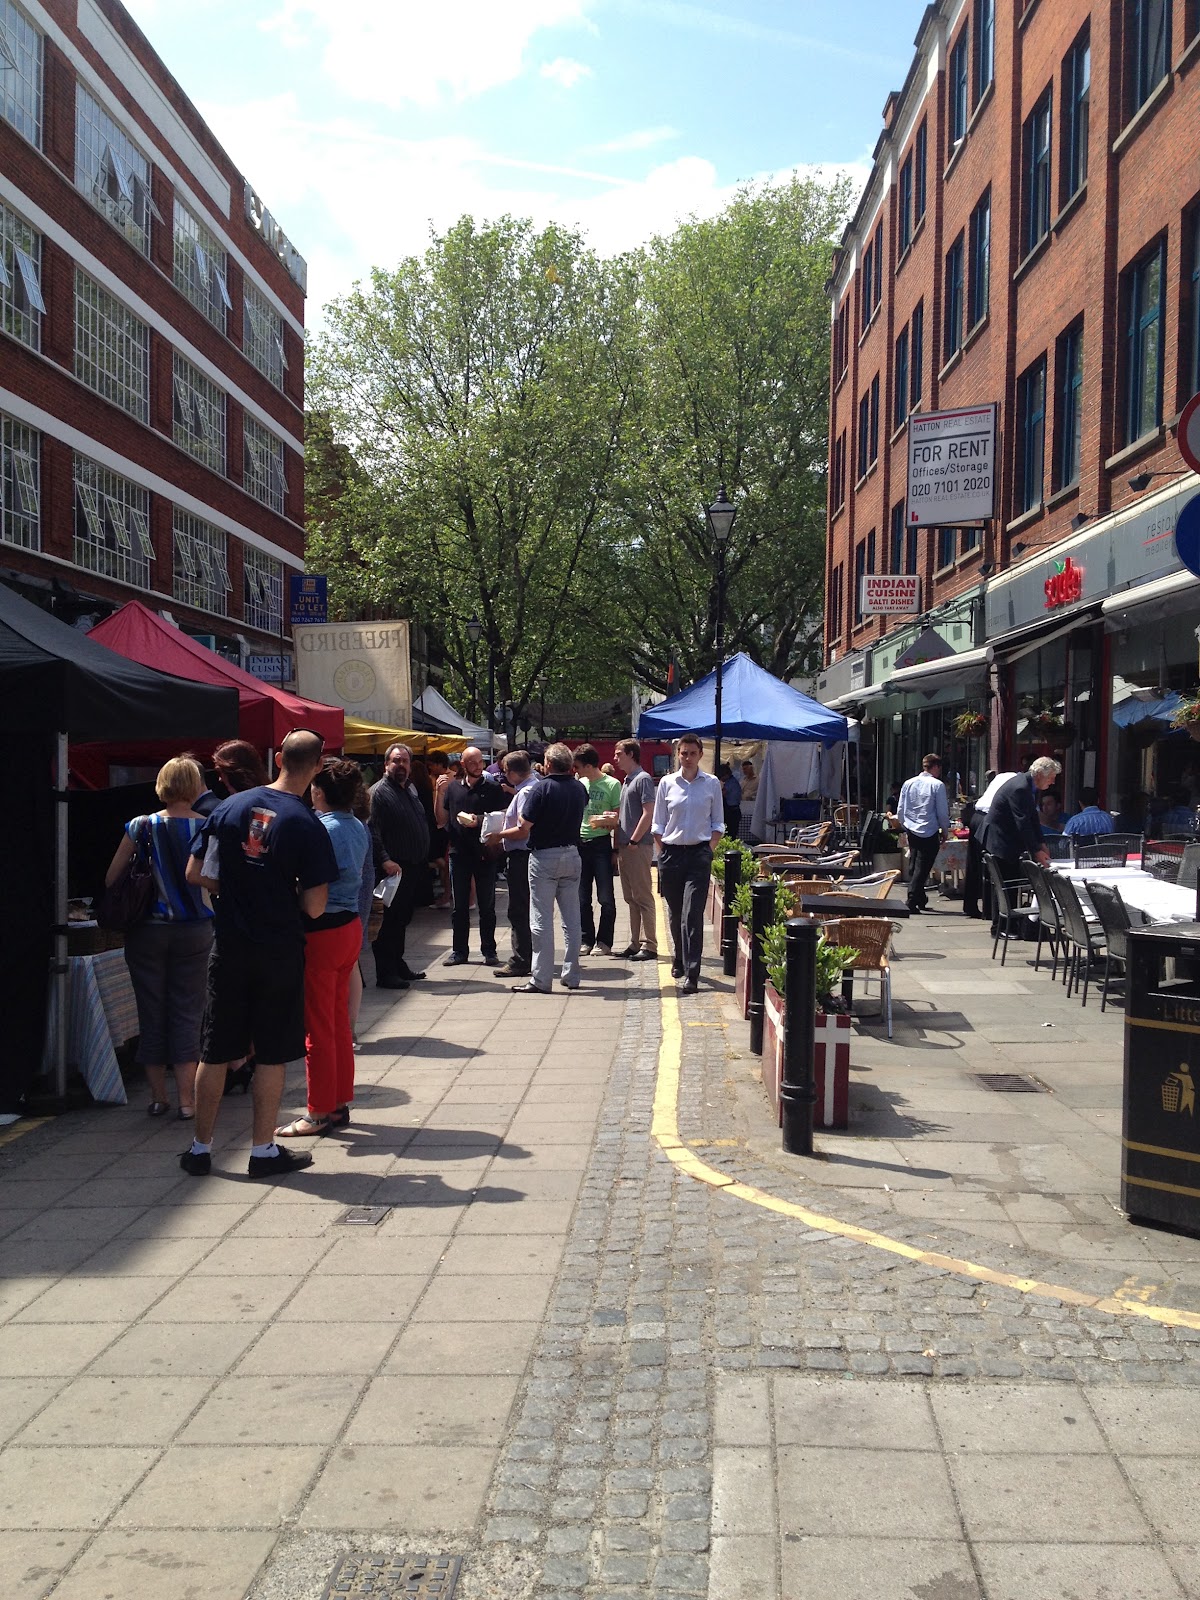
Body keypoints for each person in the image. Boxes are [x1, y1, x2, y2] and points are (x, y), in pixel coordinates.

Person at [181, 729, 338, 1180]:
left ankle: (199, 1148)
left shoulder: (229, 806)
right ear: (318, 763)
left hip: (229, 944)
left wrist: (237, 888)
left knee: (215, 1050)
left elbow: (196, 872)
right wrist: (276, 890)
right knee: (270, 1052)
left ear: (280, 758)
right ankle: (262, 1150)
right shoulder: (306, 822)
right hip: (277, 949)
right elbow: (315, 905)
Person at [105, 756, 213, 1119]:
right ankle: (187, 1101)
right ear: (195, 785)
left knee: (151, 1012)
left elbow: (111, 879)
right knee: (187, 1012)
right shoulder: (207, 827)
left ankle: (157, 1098)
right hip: (195, 930)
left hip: (147, 932)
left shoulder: (140, 826)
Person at [277, 759, 370, 1139]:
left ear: (319, 791)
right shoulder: (359, 826)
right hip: (348, 926)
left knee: (318, 1026)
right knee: (336, 1024)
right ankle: (338, 1102)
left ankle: (318, 1110)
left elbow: (310, 883)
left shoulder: (321, 828)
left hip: (323, 930)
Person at [502, 742, 587, 994]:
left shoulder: (541, 788)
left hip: (544, 856)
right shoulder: (579, 789)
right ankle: (571, 975)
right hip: (572, 853)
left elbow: (524, 825)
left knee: (541, 919)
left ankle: (541, 979)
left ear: (548, 764)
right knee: (572, 919)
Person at [652, 734, 724, 993]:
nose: (688, 758)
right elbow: (658, 823)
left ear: (700, 755)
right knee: (675, 913)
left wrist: (709, 849)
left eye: (693, 753)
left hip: (698, 855)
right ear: (677, 755)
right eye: (684, 753)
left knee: (692, 914)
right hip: (671, 854)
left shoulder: (711, 783)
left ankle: (692, 973)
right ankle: (679, 958)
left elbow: (718, 822)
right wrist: (662, 851)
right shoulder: (667, 783)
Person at [433, 746, 507, 965]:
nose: (477, 766)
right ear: (463, 765)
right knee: (460, 907)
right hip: (459, 852)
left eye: (480, 762)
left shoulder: (493, 788)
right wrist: (439, 793)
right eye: (472, 763)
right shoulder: (454, 789)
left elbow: (502, 817)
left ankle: (489, 950)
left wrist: (480, 819)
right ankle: (459, 951)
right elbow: (441, 819)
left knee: (487, 905)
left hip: (484, 852)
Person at [368, 743, 431, 989]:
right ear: (386, 764)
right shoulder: (379, 792)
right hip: (392, 869)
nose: (401, 765)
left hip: (412, 867)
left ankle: (398, 963)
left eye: (404, 761)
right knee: (388, 922)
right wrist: (384, 859)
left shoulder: (408, 790)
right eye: (396, 761)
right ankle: (386, 972)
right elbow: (372, 830)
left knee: (402, 919)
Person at [982, 756, 1061, 899]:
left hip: (1008, 838)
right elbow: (1023, 822)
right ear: (1039, 775)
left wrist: (1041, 843)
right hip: (1001, 839)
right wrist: (1036, 851)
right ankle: (1005, 921)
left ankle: (1008, 920)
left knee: (1009, 886)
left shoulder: (1032, 786)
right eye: (1051, 777)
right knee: (1007, 888)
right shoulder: (1020, 788)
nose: (1053, 782)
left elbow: (1033, 817)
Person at [574, 744, 621, 957]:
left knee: (606, 897)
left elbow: (617, 818)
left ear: (589, 765)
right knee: (582, 897)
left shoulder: (612, 784)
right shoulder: (579, 783)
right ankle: (586, 939)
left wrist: (615, 849)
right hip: (580, 843)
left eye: (579, 766)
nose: (576, 770)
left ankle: (604, 941)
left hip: (601, 843)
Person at [613, 738, 657, 961]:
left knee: (643, 896)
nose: (615, 758)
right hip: (625, 845)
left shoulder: (643, 779)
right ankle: (635, 942)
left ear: (631, 754)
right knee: (630, 897)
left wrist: (634, 840)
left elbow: (648, 812)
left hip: (637, 846)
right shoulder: (627, 781)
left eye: (619, 753)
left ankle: (650, 943)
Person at [493, 749, 537, 978]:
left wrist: (498, 835)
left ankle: (521, 959)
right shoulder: (532, 787)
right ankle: (530, 956)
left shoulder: (526, 792)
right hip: (527, 856)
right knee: (528, 909)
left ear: (511, 772)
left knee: (519, 910)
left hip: (522, 857)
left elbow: (522, 830)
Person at [896, 753, 949, 914]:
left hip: (912, 829)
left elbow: (900, 810)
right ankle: (912, 899)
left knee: (915, 863)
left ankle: (920, 898)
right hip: (929, 829)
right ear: (936, 767)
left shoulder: (908, 783)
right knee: (923, 867)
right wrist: (944, 829)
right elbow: (941, 811)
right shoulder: (937, 785)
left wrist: (906, 826)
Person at [425, 750, 453, 906]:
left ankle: (448, 893)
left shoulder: (452, 778)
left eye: (431, 765)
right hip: (435, 826)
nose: (430, 769)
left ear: (438, 764)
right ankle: (447, 892)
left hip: (445, 827)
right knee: (442, 862)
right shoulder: (430, 779)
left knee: (445, 862)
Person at [718, 761, 742, 840]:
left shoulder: (731, 782)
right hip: (731, 811)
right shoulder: (731, 781)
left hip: (732, 812)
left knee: (730, 834)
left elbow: (722, 793)